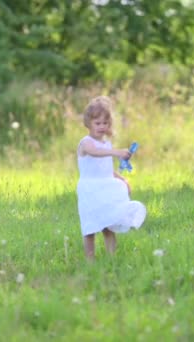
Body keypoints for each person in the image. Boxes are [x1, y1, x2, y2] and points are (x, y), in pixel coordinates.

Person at [76, 96, 146, 261]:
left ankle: (111, 258)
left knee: (108, 226)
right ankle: (90, 261)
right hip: (90, 190)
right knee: (90, 228)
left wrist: (121, 179)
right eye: (97, 123)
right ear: (88, 123)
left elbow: (106, 169)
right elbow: (95, 152)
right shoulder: (86, 143)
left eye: (105, 123)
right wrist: (116, 152)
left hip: (105, 188)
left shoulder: (106, 144)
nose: (101, 127)